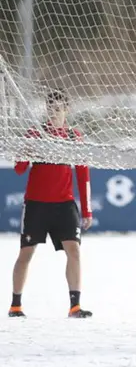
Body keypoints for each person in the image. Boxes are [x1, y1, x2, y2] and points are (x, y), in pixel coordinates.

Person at [9, 89, 93, 319]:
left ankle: (75, 306)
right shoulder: (36, 134)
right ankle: (15, 305)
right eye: (50, 108)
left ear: (67, 110)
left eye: (58, 109)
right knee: (26, 253)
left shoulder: (74, 137)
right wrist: (25, 151)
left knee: (74, 251)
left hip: (64, 204)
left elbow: (83, 174)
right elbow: (19, 169)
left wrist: (87, 210)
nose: (54, 113)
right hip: (36, 204)